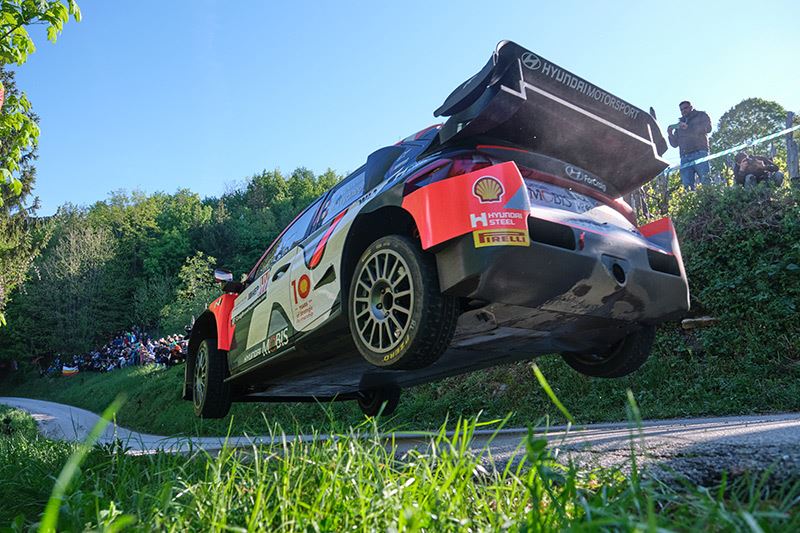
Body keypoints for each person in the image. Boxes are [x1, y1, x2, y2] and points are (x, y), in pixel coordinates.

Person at [668, 101, 713, 190]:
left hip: (700, 152)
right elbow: (675, 144)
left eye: (685, 108)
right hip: (685, 157)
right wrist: (670, 133)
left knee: (706, 181)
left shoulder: (701, 115)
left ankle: (710, 202)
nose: (683, 111)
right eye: (681, 110)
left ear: (691, 107)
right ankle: (692, 203)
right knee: (687, 186)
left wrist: (689, 127)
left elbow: (708, 128)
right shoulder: (680, 123)